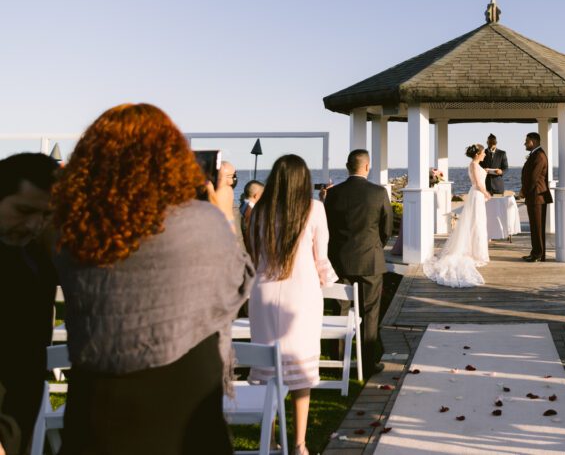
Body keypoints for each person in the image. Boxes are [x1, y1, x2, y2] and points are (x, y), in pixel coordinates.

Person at [51, 103, 254, 455]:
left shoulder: (73, 230)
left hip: (96, 399)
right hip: (184, 397)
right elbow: (236, 287)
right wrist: (223, 216)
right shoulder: (198, 223)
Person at [246, 155, 336, 455]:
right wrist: (327, 280)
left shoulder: (259, 211)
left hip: (264, 293)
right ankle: (299, 444)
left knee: (267, 372)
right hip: (302, 294)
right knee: (301, 372)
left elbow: (254, 254)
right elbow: (320, 257)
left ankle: (269, 441)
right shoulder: (315, 209)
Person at [0, 153, 59, 454]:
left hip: (21, 407)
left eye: (46, 215)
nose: (34, 224)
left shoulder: (32, 251)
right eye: (23, 210)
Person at [323, 149, 392, 378]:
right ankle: (368, 364)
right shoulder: (379, 193)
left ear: (347, 166)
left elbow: (327, 229)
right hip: (370, 261)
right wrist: (375, 247)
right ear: (367, 166)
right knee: (370, 312)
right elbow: (387, 229)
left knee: (340, 311)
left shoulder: (333, 194)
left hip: (339, 261)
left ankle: (336, 362)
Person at [422, 144, 490, 287]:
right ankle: (476, 253)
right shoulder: (473, 165)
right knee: (476, 223)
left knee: (478, 222)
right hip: (477, 195)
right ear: (477, 154)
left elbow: (481, 177)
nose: (485, 154)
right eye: (483, 152)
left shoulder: (476, 165)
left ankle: (477, 251)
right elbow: (477, 183)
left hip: (477, 195)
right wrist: (486, 193)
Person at [520, 132, 552, 262]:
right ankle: (536, 252)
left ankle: (538, 254)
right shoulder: (535, 154)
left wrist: (523, 191)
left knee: (537, 227)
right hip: (534, 196)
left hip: (537, 196)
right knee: (535, 226)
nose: (525, 143)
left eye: (527, 141)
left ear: (533, 141)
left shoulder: (539, 156)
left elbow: (533, 178)